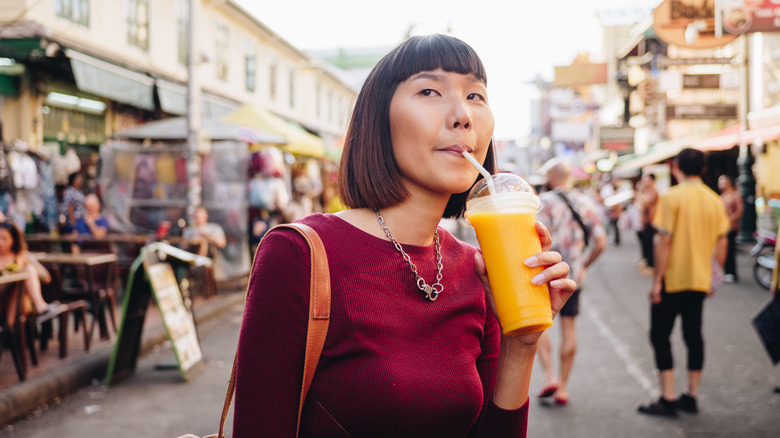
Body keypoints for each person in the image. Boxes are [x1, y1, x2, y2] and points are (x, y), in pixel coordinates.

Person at [232, 34, 576, 437]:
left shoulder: (478, 268)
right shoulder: (299, 255)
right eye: (429, 90)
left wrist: (523, 343)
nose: (461, 115)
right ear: (380, 119)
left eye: (476, 95)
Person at [638, 148, 729, 417]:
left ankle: (668, 397)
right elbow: (722, 241)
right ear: (702, 169)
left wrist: (656, 281)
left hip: (672, 279)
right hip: (700, 280)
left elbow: (663, 241)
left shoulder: (671, 197)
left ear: (676, 166)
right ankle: (691, 395)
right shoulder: (714, 200)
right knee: (693, 336)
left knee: (660, 335)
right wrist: (716, 275)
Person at [535, 159, 606, 406]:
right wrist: (583, 265)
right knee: (569, 329)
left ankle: (549, 376)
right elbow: (601, 242)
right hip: (573, 277)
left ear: (553, 177)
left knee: (540, 326)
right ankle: (563, 387)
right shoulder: (585, 203)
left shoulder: (545, 203)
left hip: (546, 275)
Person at [0, 221, 61, 325]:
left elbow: (46, 277)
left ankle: (40, 307)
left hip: (16, 301)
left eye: (4, 239)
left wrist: (20, 274)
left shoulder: (22, 256)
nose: (0, 243)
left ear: (13, 239)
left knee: (27, 272)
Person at [718, 175, 743, 283]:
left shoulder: (735, 195)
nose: (720, 183)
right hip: (722, 228)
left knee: (730, 250)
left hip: (730, 228)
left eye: (722, 181)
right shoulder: (722, 196)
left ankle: (731, 272)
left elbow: (740, 210)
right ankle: (725, 271)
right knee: (724, 249)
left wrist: (729, 221)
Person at [635, 173, 659, 277]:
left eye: (647, 180)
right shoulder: (647, 191)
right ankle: (647, 263)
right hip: (645, 221)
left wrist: (640, 193)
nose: (645, 182)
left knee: (649, 244)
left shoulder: (653, 191)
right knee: (645, 243)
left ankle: (651, 266)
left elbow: (645, 202)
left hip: (651, 221)